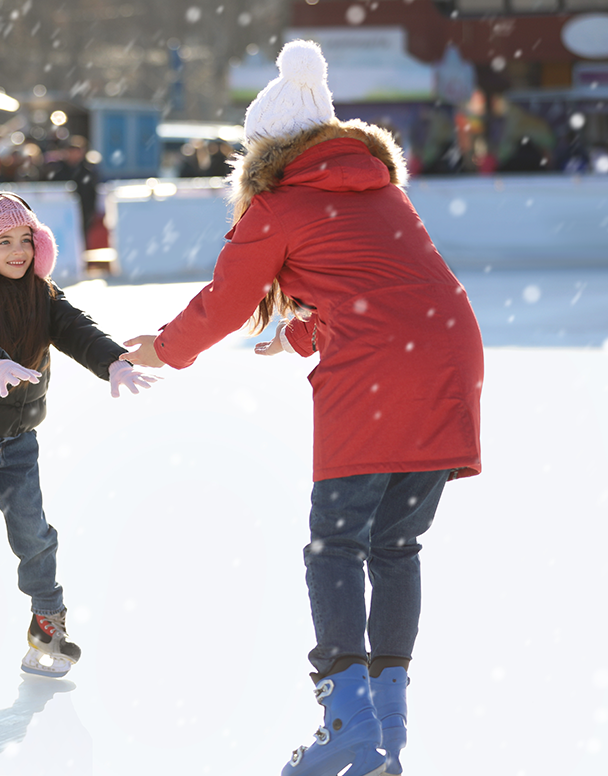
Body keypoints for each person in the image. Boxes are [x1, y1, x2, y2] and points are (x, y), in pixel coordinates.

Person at [124, 40, 483, 776]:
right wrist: (300, 334)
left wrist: (163, 348)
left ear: (262, 155)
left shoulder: (279, 204)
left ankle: (348, 722)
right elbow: (387, 288)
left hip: (385, 371)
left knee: (337, 545)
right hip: (450, 356)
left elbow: (226, 303)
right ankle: (387, 723)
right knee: (394, 547)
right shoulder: (381, 189)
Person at [0, 172, 155, 688]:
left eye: (25, 239)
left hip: (18, 437)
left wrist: (114, 362)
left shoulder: (42, 293)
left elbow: (77, 329)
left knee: (33, 533)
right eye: (2, 242)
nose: (16, 251)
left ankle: (46, 621)